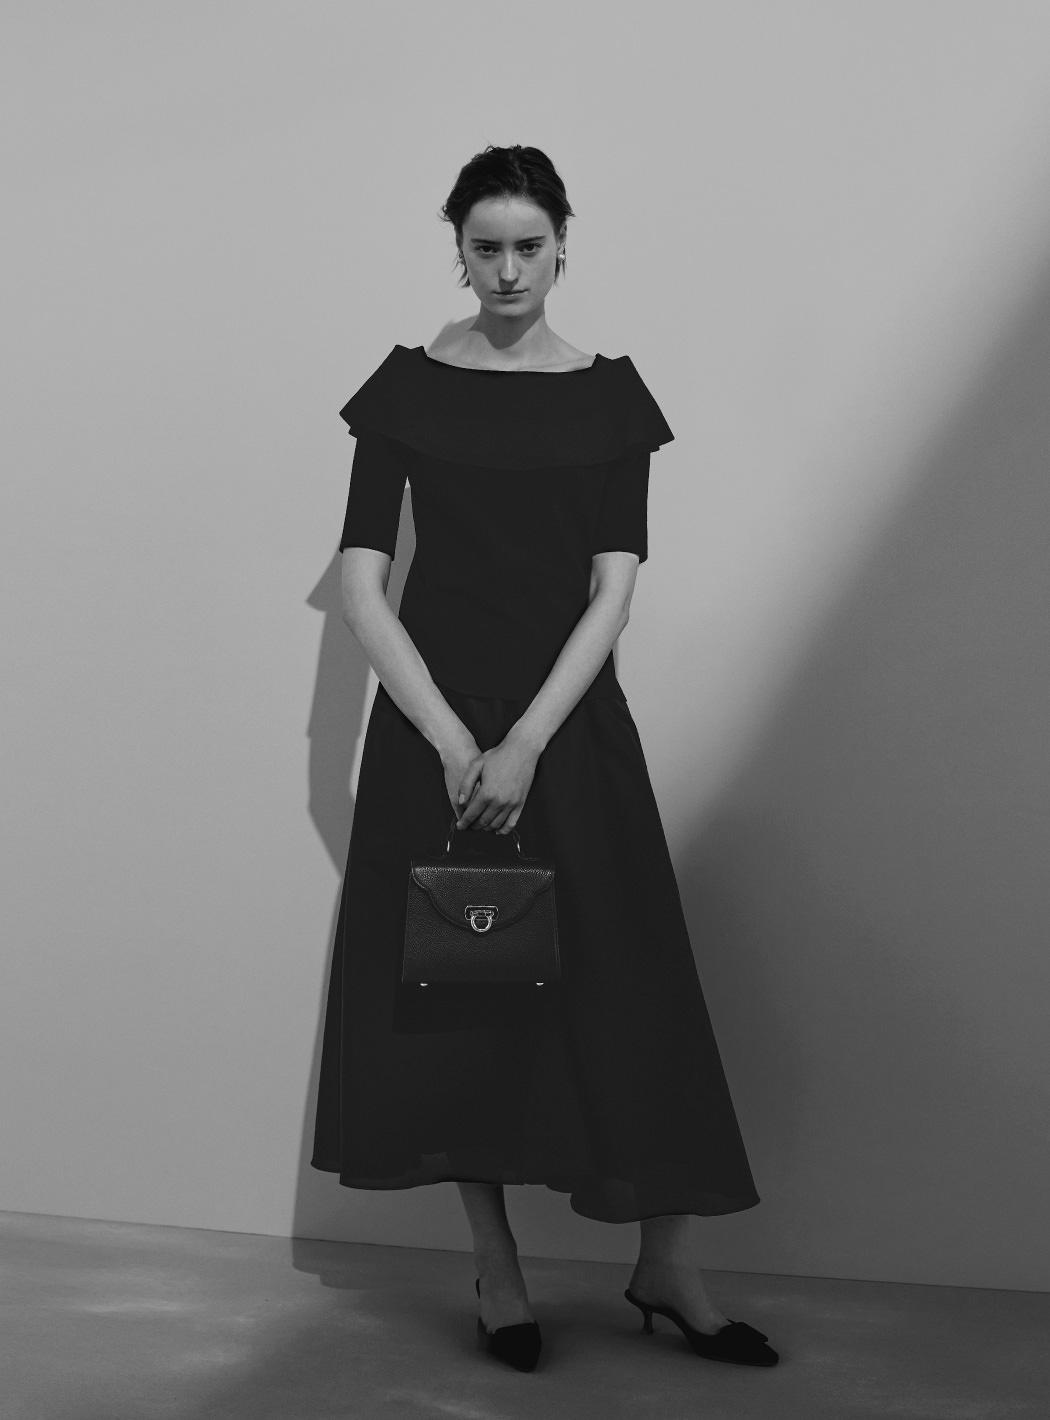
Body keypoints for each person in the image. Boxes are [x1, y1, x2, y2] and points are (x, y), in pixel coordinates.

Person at [311, 144, 778, 1372]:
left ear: (564, 245)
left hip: (566, 731)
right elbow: (362, 586)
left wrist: (524, 740)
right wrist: (455, 741)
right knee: (464, 1001)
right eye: (486, 247)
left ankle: (668, 1267)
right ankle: (499, 1270)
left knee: (634, 988)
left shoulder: (609, 397)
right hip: (436, 734)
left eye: (529, 245)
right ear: (458, 253)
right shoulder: (405, 391)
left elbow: (612, 591)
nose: (509, 269)